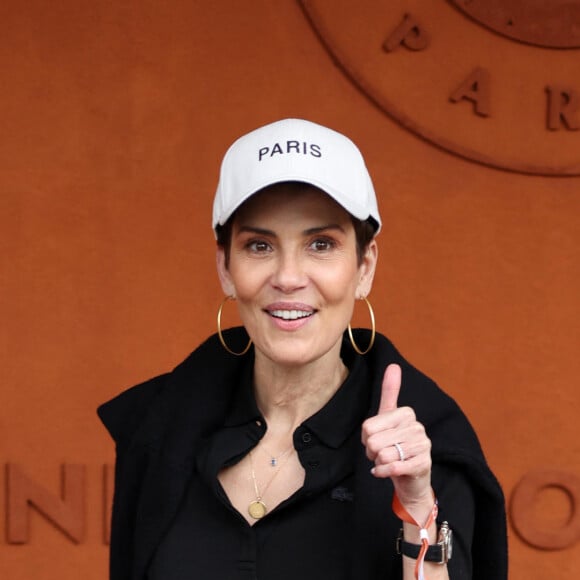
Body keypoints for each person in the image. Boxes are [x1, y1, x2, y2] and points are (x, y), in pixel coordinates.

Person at [98, 118, 507, 580]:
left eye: (320, 244)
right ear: (226, 268)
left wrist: (415, 504)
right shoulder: (161, 430)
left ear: (365, 265)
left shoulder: (422, 447)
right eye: (259, 245)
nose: (289, 277)